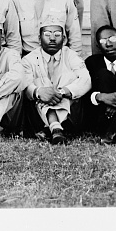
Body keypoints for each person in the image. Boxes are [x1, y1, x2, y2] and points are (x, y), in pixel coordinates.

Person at [19, 14, 91, 144]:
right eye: (47, 34)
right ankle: (56, 129)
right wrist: (40, 92)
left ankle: (52, 127)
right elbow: (26, 84)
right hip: (38, 113)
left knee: (69, 78)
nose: (52, 38)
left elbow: (86, 80)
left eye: (57, 34)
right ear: (39, 38)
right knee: (39, 85)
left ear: (64, 38)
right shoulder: (29, 59)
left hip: (69, 112)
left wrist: (60, 92)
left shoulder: (71, 55)